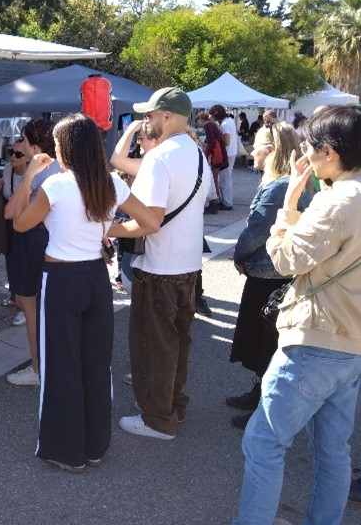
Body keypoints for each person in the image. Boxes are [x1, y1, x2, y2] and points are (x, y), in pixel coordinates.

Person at [233, 105, 361, 525]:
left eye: (310, 146)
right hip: (351, 345)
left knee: (264, 441)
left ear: (329, 152)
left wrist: (289, 203)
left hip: (314, 340)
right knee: (333, 450)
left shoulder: (337, 202)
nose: (305, 154)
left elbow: (286, 259)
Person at [12, 113, 159, 473]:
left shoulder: (56, 185)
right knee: (96, 363)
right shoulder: (111, 183)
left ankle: (66, 451)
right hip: (96, 277)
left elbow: (20, 223)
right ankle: (94, 446)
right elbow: (151, 222)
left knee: (60, 363)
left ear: (66, 149)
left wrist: (29, 175)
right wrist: (109, 228)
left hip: (61, 279)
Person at [111, 87, 210, 441]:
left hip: (159, 269)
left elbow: (150, 221)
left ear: (167, 116)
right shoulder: (197, 153)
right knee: (178, 344)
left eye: (150, 115)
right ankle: (173, 407)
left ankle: (157, 419)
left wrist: (109, 228)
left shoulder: (159, 157)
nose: (146, 121)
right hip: (188, 266)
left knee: (153, 347)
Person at [227, 123, 311, 430]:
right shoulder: (288, 182)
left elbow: (256, 231)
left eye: (257, 145)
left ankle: (265, 410)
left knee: (266, 344)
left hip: (270, 275)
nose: (252, 151)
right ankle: (259, 394)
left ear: (272, 150)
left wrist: (238, 256)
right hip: (276, 272)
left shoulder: (279, 186)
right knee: (266, 343)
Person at [3, 119, 61, 387]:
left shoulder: (39, 172)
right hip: (53, 240)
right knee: (42, 306)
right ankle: (48, 364)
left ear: (36, 147)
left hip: (34, 240)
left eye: (24, 141)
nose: (21, 145)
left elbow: (10, 213)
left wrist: (26, 178)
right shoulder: (63, 167)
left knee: (30, 307)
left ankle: (38, 368)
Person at [110, 116, 162, 291]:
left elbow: (117, 159)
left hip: (146, 235)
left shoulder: (153, 164)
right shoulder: (161, 162)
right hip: (146, 235)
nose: (139, 143)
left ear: (155, 141)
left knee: (135, 285)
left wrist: (132, 128)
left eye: (141, 138)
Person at [0, 138, 31, 326]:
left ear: (28, 157)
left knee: (24, 263)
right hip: (10, 221)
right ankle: (14, 295)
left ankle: (25, 306)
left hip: (28, 221)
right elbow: (7, 194)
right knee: (10, 257)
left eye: (18, 154)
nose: (13, 157)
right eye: (10, 152)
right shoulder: (8, 169)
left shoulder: (33, 173)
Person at [210, 104, 237, 210]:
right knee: (226, 179)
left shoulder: (225, 125)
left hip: (227, 154)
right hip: (231, 152)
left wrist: (218, 138)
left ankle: (227, 202)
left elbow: (226, 141)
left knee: (225, 180)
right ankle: (226, 200)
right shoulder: (230, 120)